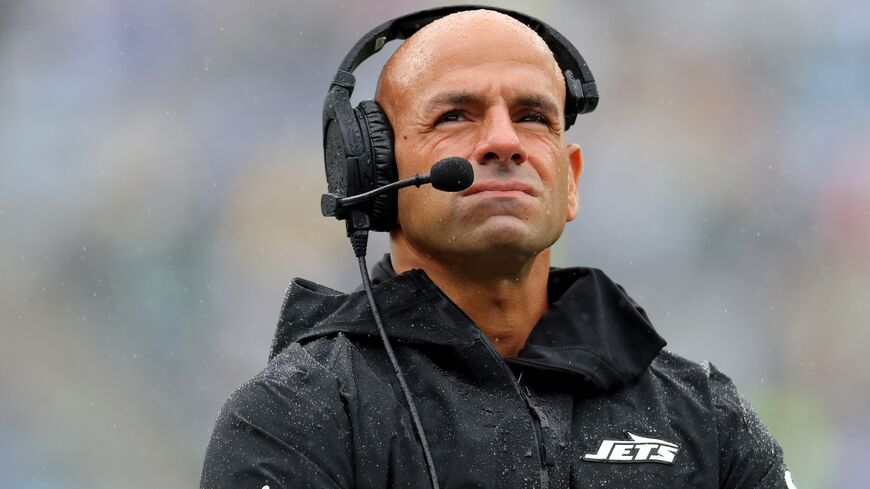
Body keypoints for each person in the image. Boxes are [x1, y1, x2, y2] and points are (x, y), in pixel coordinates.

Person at [201, 7, 797, 489]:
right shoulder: (293, 419)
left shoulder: (704, 417)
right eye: (457, 114)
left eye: (533, 115)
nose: (503, 141)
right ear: (373, 176)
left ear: (571, 182)